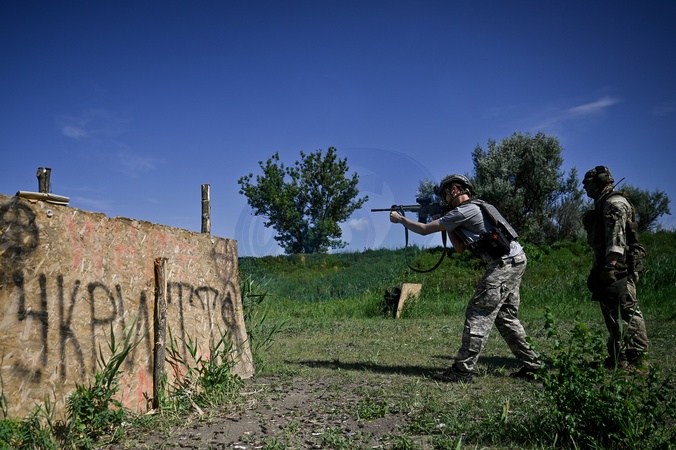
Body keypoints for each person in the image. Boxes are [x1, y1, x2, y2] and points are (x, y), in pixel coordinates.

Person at [389, 174, 540, 383]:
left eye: (445, 195)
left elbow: (424, 230)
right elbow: (460, 248)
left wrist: (400, 220)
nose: (444, 200)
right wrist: (447, 224)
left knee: (478, 312)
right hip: (514, 260)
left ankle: (462, 370)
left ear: (454, 190)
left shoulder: (464, 211)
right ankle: (533, 366)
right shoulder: (471, 209)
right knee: (506, 318)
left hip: (504, 263)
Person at [582, 166, 649, 369]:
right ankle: (619, 357)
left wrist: (609, 267)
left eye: (589, 183)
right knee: (612, 312)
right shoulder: (604, 204)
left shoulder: (614, 204)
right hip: (609, 265)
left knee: (627, 311)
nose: (585, 188)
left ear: (601, 182)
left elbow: (616, 240)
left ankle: (637, 359)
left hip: (618, 267)